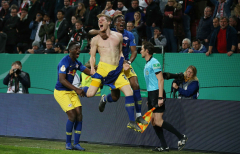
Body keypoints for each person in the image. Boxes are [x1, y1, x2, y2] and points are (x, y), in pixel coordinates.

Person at [84, 14, 143, 132]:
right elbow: (92, 56)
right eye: (98, 20)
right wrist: (92, 68)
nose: (99, 21)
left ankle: (132, 122)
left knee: (129, 92)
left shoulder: (119, 36)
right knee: (90, 94)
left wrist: (125, 62)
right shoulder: (96, 38)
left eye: (102, 20)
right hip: (102, 70)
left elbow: (120, 52)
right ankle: (80, 89)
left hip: (117, 70)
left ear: (109, 22)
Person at [140, 42, 188, 152]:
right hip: (152, 94)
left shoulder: (154, 62)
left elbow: (160, 80)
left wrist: (160, 97)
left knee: (158, 121)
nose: (140, 51)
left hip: (157, 93)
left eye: (142, 49)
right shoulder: (147, 63)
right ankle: (164, 146)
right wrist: (149, 98)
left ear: (147, 50)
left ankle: (181, 137)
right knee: (153, 121)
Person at [54, 41, 91, 151]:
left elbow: (87, 71)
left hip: (71, 91)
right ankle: (68, 143)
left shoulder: (77, 63)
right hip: (61, 92)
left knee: (79, 114)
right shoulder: (64, 62)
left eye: (79, 48)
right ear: (70, 50)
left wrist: (97, 72)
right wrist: (77, 89)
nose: (78, 50)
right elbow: (62, 79)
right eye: (76, 48)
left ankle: (77, 144)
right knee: (72, 115)